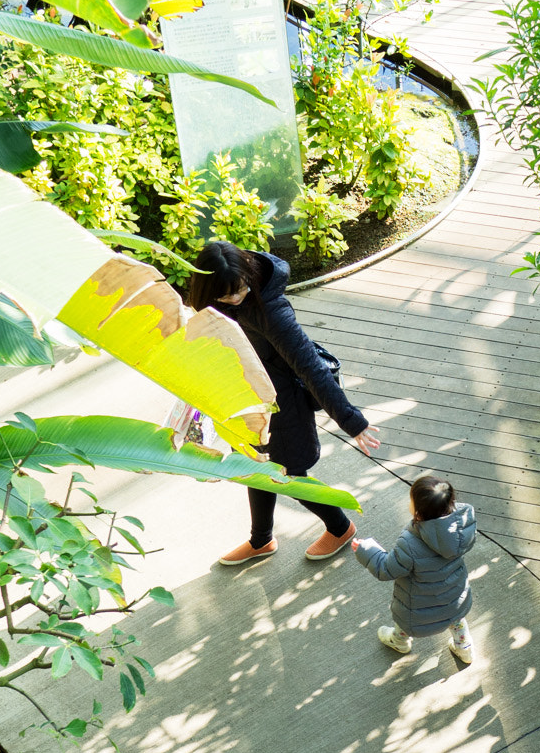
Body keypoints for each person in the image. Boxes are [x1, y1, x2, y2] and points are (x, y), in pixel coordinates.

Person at [185, 240, 380, 566]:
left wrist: (352, 421)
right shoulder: (216, 300)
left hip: (282, 403)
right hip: (247, 398)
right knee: (253, 466)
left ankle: (340, 527)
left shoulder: (270, 310)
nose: (234, 298)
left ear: (248, 274)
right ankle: (261, 540)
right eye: (225, 295)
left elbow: (309, 366)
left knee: (287, 472)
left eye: (240, 290)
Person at [351, 473, 475, 667]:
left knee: (404, 622)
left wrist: (367, 550)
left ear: (418, 511)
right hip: (455, 597)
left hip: (419, 606)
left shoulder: (410, 543)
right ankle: (464, 648)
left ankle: (399, 642)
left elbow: (387, 569)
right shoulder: (461, 529)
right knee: (457, 620)